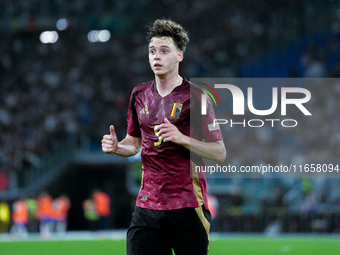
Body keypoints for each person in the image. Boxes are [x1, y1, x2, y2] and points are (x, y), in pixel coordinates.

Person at [101, 19, 226, 255]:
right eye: (152, 51)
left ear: (180, 55)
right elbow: (134, 143)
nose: (156, 56)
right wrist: (117, 147)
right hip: (147, 204)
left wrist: (181, 138)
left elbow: (219, 152)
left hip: (187, 204)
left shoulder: (196, 97)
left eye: (164, 51)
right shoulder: (139, 94)